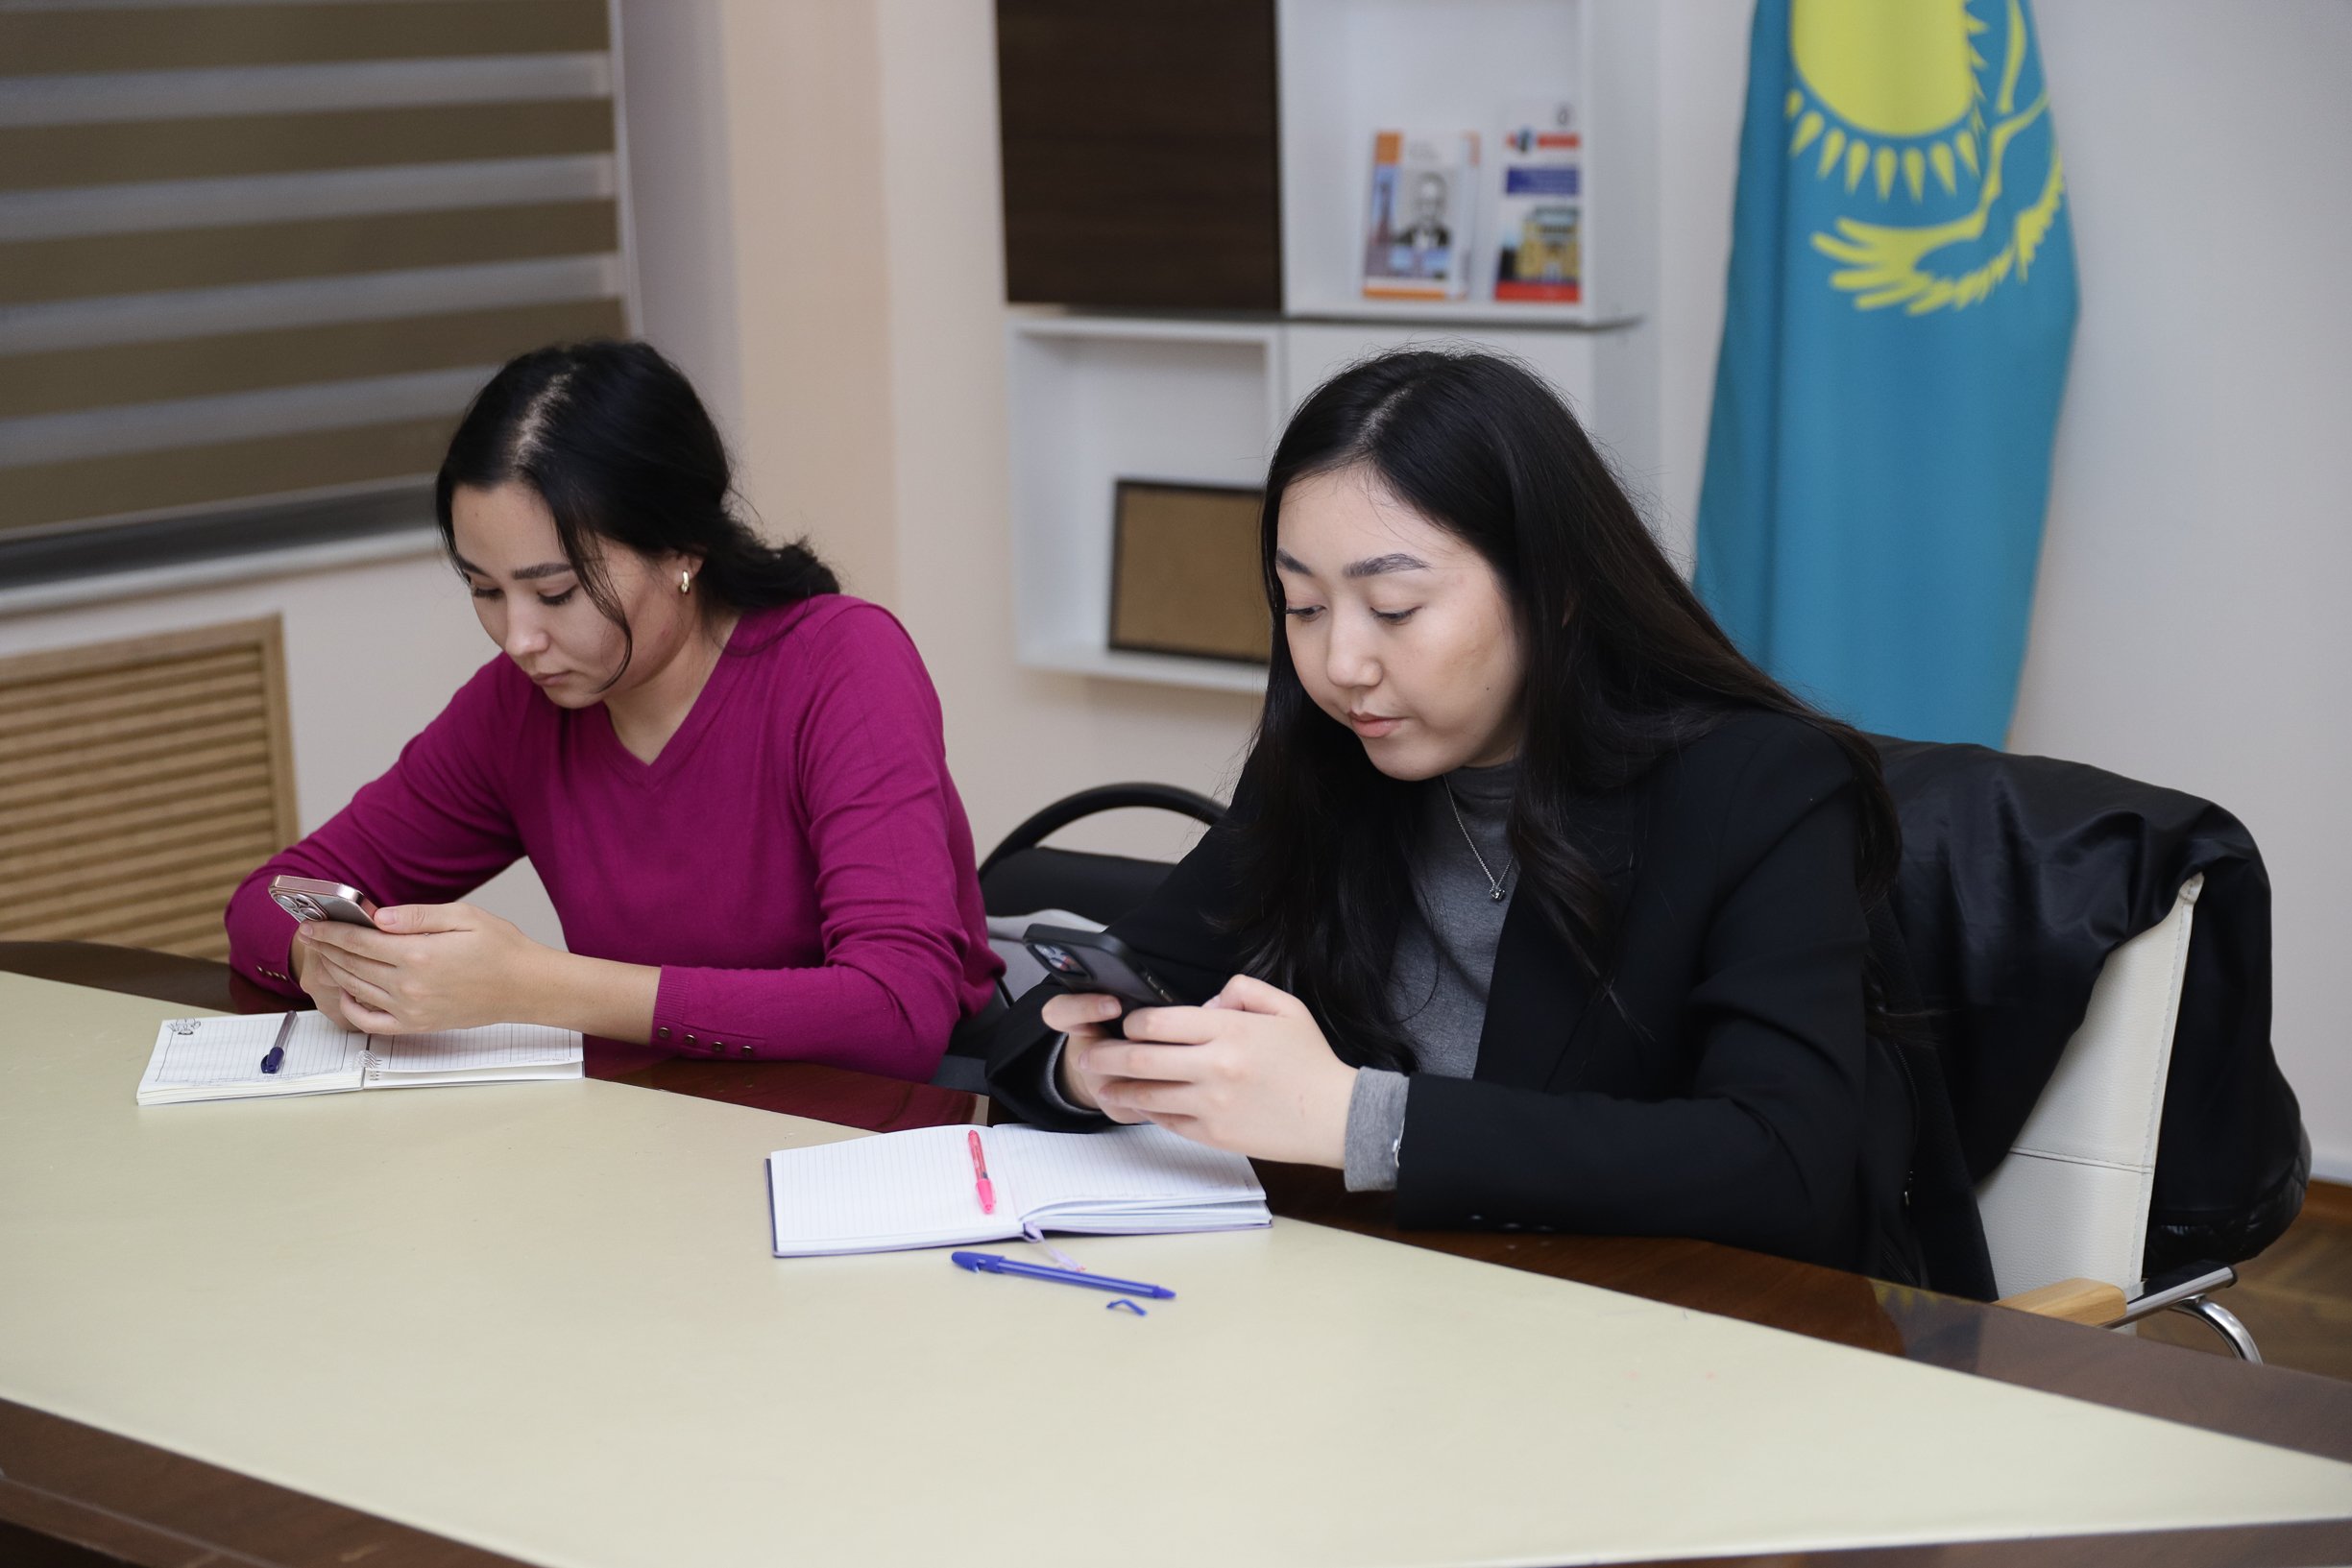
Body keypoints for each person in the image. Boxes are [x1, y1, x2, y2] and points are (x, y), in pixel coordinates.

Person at [987, 349, 1923, 1280]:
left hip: (1673, 1323)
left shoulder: (1757, 785)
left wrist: (1353, 1118)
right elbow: (1084, 1000)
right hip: (1394, 1297)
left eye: (1394, 608)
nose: (1340, 665)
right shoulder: (1329, 765)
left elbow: (1782, 1165)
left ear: (1554, 587)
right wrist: (1089, 1069)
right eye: (1303, 605)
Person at [225, 341, 1001, 1080]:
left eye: (556, 592)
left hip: (860, 1132)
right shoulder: (519, 707)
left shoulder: (841, 662)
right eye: (485, 590)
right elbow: (264, 900)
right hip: (652, 1120)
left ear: (682, 548)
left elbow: (897, 1013)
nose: (519, 639)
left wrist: (533, 986)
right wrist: (323, 960)